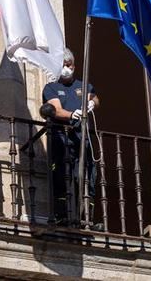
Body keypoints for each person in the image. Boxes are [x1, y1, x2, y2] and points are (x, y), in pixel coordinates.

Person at [42, 47, 100, 226]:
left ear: (74, 66)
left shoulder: (82, 86)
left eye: (69, 65)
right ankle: (63, 215)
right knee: (62, 176)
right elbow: (56, 109)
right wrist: (71, 115)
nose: (67, 68)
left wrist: (91, 103)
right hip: (62, 139)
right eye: (63, 65)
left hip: (83, 139)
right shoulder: (52, 87)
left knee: (86, 178)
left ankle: (86, 218)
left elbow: (96, 98)